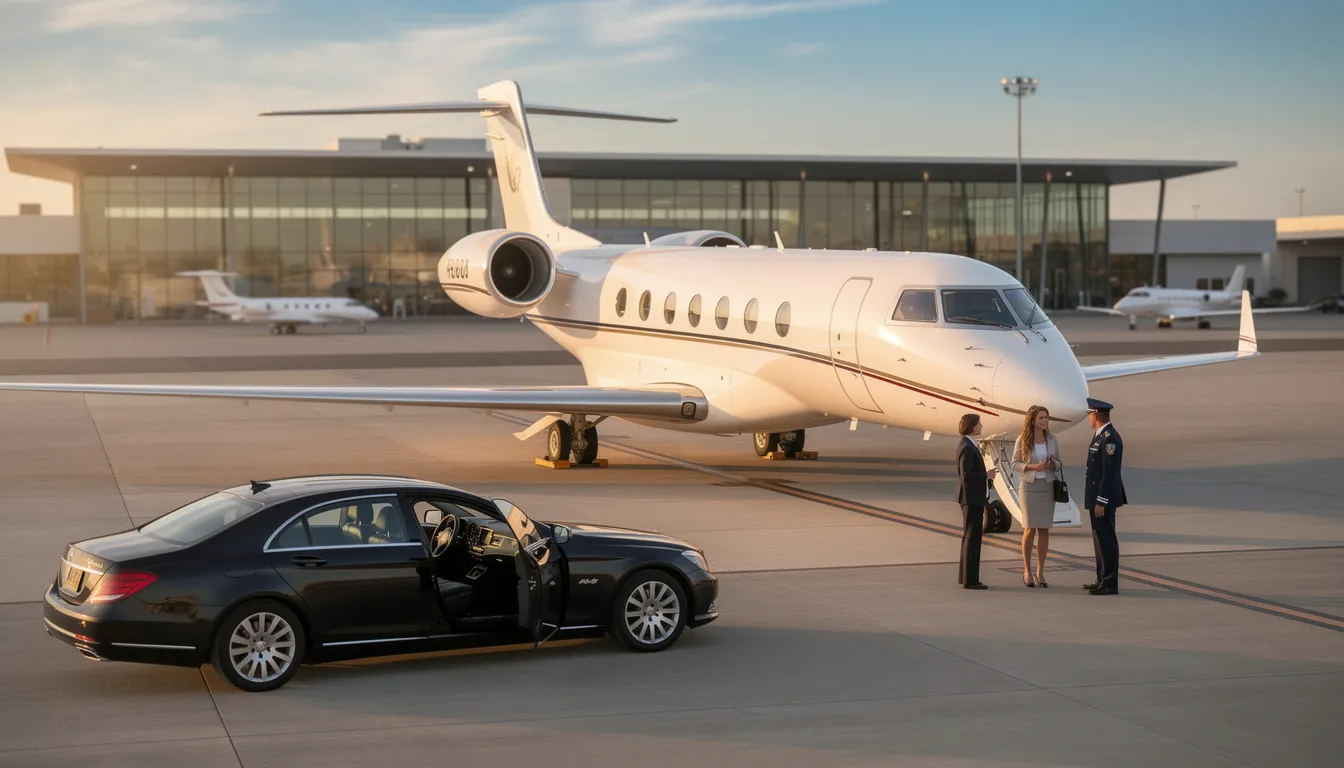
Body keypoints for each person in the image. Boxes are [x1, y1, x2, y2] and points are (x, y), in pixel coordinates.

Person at [1010, 405, 1062, 588]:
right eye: (1041, 418)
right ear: (1032, 420)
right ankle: (1027, 570)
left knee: (1045, 529)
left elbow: (1059, 464)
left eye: (1046, 417)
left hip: (1047, 486)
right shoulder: (1022, 440)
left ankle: (1040, 571)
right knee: (1029, 528)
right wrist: (1034, 467)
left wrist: (1053, 463)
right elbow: (1014, 464)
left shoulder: (1052, 439)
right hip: (1029, 488)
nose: (1045, 420)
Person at [1083, 398, 1127, 595]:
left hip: (1103, 499)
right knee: (1099, 539)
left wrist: (1101, 502)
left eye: (1089, 415)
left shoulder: (1109, 439)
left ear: (1094, 415)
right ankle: (1102, 577)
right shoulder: (1100, 435)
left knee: (1107, 539)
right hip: (1096, 498)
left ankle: (1109, 582)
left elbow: (1109, 474)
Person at [955, 413, 996, 589]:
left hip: (972, 497)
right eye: (979, 424)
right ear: (972, 426)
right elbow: (966, 476)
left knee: (970, 538)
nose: (981, 426)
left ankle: (966, 577)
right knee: (972, 539)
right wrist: (986, 475)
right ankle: (971, 580)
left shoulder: (969, 444)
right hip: (971, 498)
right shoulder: (967, 448)